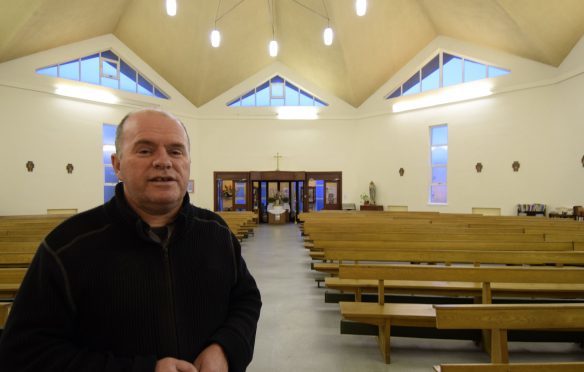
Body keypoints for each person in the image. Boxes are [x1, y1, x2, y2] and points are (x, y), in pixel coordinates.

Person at [0, 108, 262, 372]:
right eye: (145, 150)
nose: (164, 161)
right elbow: (25, 353)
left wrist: (226, 349)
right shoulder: (67, 247)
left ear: (187, 162)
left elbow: (246, 299)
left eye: (176, 151)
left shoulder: (215, 232)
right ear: (117, 165)